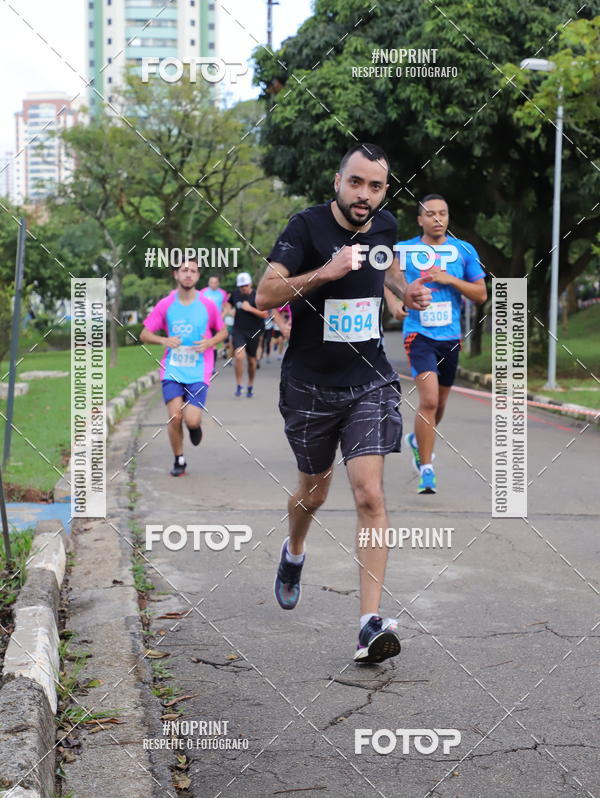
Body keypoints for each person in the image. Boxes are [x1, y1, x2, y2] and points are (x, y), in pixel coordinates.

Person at [256, 142, 432, 664]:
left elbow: (388, 266)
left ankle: (368, 625)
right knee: (313, 491)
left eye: (375, 186)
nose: (365, 195)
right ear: (338, 181)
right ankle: (294, 552)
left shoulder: (385, 225)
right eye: (356, 183)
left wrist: (404, 293)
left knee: (370, 495)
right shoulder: (305, 227)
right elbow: (267, 294)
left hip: (369, 379)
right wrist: (325, 273)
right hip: (309, 384)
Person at [397, 194, 487, 494]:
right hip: (418, 334)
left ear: (448, 217)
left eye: (443, 213)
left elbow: (480, 294)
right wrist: (396, 304)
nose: (437, 219)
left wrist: (450, 280)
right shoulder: (406, 250)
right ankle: (427, 469)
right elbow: (386, 280)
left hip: (450, 337)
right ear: (419, 219)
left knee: (440, 405)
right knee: (430, 400)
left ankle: (417, 440)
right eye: (431, 214)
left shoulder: (463, 250)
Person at [140, 261, 227, 476]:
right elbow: (144, 334)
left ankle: (195, 428)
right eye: (184, 271)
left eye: (193, 271)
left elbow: (223, 332)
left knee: (191, 419)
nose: (188, 275)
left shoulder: (207, 304)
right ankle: (179, 459)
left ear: (198, 277)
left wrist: (209, 343)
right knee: (175, 417)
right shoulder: (165, 304)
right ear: (176, 275)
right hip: (172, 368)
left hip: (199, 369)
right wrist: (163, 340)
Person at [230, 272, 268, 397]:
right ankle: (239, 385)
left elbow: (265, 314)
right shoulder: (235, 294)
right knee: (239, 356)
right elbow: (228, 304)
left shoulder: (258, 295)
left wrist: (249, 309)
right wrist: (228, 311)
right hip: (238, 330)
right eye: (241, 286)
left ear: (250, 284)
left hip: (254, 331)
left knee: (251, 361)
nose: (243, 288)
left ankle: (250, 384)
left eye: (245, 285)